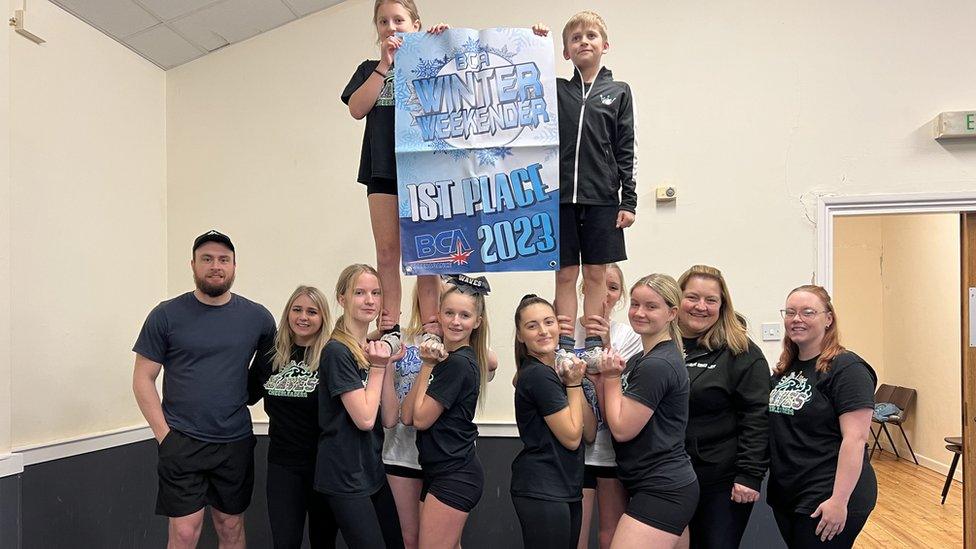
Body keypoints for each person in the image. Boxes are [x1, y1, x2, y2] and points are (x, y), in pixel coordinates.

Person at [132, 230, 276, 549]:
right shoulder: (165, 315)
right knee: (184, 533)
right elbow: (142, 378)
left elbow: (266, 372)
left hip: (235, 442)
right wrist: (165, 437)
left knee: (230, 526)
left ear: (235, 266)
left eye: (223, 259)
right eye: (207, 259)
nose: (215, 266)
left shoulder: (259, 318)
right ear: (193, 265)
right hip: (181, 440)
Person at [341, 0, 448, 354]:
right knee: (387, 253)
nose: (392, 26)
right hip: (382, 171)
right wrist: (385, 66)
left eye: (399, 20)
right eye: (383, 21)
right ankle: (390, 325)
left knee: (426, 254)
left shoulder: (431, 65)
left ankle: (431, 324)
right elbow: (357, 109)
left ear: (415, 24)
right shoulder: (370, 69)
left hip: (424, 171)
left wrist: (443, 46)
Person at [531, 11, 637, 368]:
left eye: (591, 36)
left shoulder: (618, 92)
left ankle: (592, 339)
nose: (584, 42)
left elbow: (626, 147)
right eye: (575, 38)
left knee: (596, 273)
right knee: (564, 273)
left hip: (602, 199)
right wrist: (537, 41)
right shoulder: (558, 91)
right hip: (559, 198)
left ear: (605, 45)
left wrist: (629, 201)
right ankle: (563, 340)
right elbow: (529, 72)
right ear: (566, 52)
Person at [383, 281, 499, 549]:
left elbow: (422, 419)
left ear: (477, 322)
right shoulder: (443, 361)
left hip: (455, 474)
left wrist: (429, 365)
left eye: (464, 315)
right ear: (438, 315)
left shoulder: (459, 363)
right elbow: (408, 417)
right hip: (438, 472)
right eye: (449, 313)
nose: (456, 322)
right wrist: (426, 364)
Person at [768, 285, 877, 548]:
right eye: (790, 312)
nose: (797, 319)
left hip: (828, 494)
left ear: (828, 318)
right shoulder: (787, 368)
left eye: (808, 312)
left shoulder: (846, 368)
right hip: (790, 493)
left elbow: (856, 438)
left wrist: (839, 501)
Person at [595, 274, 698, 548]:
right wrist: (603, 379)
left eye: (651, 306)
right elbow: (615, 414)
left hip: (662, 488)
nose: (639, 313)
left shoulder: (658, 365)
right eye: (635, 304)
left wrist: (612, 379)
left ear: (672, 313)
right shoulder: (641, 359)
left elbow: (622, 429)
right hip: (654, 484)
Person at [675, 265, 769, 549]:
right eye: (692, 297)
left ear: (722, 305)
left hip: (721, 479)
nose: (700, 307)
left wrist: (750, 475)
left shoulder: (741, 351)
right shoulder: (661, 345)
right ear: (677, 300)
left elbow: (757, 415)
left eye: (711, 300)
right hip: (669, 477)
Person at [314, 264, 403, 548]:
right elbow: (364, 418)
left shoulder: (369, 349)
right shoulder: (337, 351)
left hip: (371, 469)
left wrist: (385, 362)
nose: (370, 300)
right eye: (360, 293)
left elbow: (389, 418)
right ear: (342, 299)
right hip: (343, 474)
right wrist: (377, 367)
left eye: (376, 293)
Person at [248, 286, 338, 548]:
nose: (303, 317)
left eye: (312, 311)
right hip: (283, 465)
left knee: (324, 541)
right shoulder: (270, 356)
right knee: (285, 542)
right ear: (288, 313)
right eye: (297, 309)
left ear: (322, 318)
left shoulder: (332, 355)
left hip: (324, 465)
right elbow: (246, 394)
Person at [560, 263, 640, 549]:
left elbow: (625, 391)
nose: (605, 294)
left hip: (609, 451)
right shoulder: (564, 331)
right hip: (573, 447)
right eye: (601, 285)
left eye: (614, 287)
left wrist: (605, 345)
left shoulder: (628, 336)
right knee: (574, 534)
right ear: (584, 288)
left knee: (610, 533)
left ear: (620, 296)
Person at [511, 294, 587, 548]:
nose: (543, 331)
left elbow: (589, 432)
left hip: (566, 487)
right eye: (532, 326)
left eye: (548, 322)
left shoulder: (552, 373)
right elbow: (573, 437)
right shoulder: (537, 376)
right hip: (543, 488)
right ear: (521, 335)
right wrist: (574, 383)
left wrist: (573, 379)